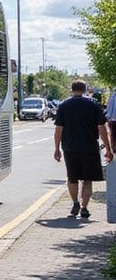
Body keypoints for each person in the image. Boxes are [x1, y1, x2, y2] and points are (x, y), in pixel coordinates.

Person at [53, 79, 113, 220]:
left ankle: (75, 203)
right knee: (87, 179)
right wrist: (108, 148)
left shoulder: (64, 106)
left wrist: (57, 148)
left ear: (71, 90)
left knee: (72, 178)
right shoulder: (93, 105)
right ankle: (84, 208)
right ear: (85, 89)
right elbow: (102, 128)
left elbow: (58, 130)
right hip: (89, 147)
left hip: (70, 147)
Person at [106, 88, 116, 154]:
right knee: (113, 135)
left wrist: (108, 118)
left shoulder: (112, 96)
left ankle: (114, 149)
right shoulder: (112, 96)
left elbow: (109, 108)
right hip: (113, 119)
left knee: (113, 135)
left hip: (112, 119)